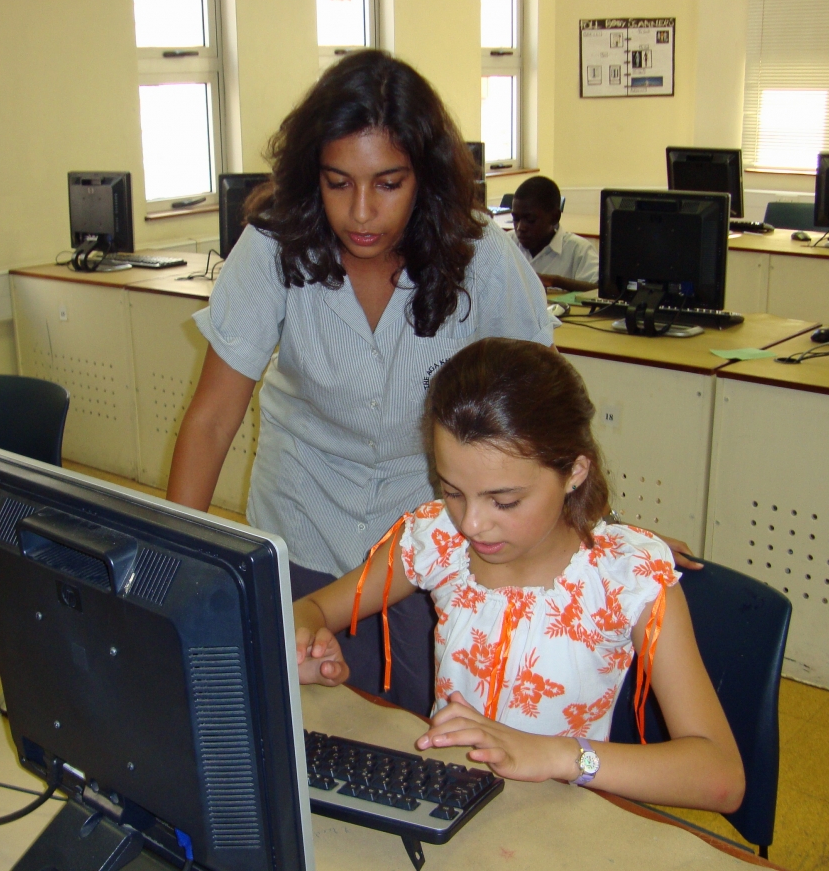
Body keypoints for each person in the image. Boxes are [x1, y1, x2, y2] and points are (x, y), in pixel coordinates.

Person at [166, 51, 557, 717]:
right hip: (299, 525)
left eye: (388, 183)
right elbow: (211, 420)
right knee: (287, 723)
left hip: (427, 549)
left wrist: (594, 531)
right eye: (338, 182)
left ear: (425, 178)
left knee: (426, 733)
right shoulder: (272, 247)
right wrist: (171, 565)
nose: (362, 212)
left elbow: (544, 410)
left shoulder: (481, 254)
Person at [293, 338, 745, 811]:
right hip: (448, 799)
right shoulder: (440, 540)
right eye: (452, 490)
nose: (471, 524)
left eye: (504, 501)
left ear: (574, 471)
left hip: (554, 821)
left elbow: (721, 777)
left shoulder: (626, 579)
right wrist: (306, 639)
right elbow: (314, 607)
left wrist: (558, 755)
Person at [510, 176, 599, 293]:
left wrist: (556, 281)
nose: (520, 227)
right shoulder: (506, 243)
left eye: (530, 219)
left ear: (554, 217)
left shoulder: (579, 251)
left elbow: (599, 291)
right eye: (516, 219)